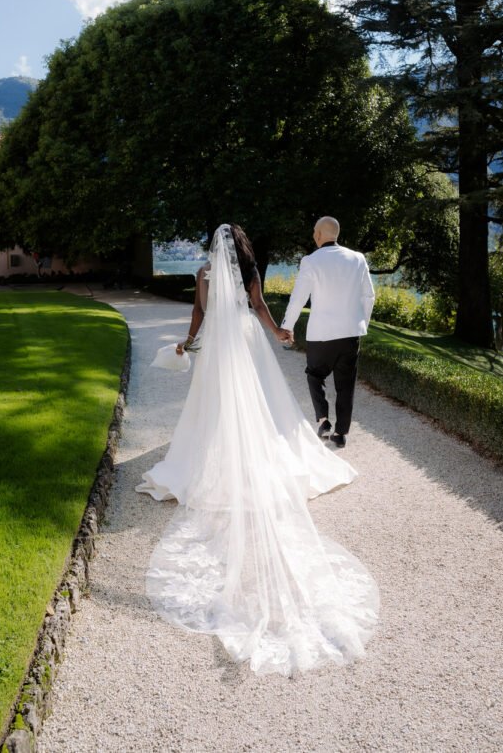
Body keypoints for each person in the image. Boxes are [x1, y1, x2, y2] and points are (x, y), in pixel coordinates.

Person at [136, 224, 379, 676]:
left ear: (214, 248)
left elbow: (199, 315)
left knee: (215, 403)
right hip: (246, 338)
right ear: (243, 247)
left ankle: (213, 454)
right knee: (260, 403)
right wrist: (279, 334)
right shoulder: (250, 270)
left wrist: (187, 343)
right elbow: (261, 307)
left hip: (217, 344)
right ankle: (254, 448)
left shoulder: (205, 272)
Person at [282, 217, 375, 448]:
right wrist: (362, 323)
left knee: (315, 375)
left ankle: (323, 421)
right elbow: (369, 296)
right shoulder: (358, 258)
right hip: (350, 334)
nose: (314, 234)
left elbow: (298, 298)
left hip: (321, 334)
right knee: (346, 384)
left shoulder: (310, 261)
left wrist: (287, 326)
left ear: (321, 234)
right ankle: (341, 433)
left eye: (315, 231)